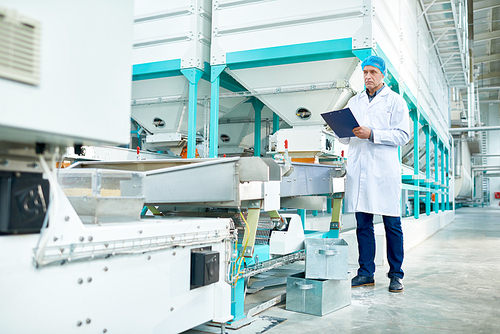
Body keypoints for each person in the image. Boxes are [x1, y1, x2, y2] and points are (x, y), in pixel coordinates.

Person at [336, 55, 410, 292]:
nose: (368, 76)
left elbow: (403, 136)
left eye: (372, 72)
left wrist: (373, 134)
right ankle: (365, 272)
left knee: (392, 225)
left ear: (383, 75)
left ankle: (396, 274)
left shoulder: (395, 101)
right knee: (363, 225)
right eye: (365, 72)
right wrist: (339, 128)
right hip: (360, 171)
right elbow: (346, 138)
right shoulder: (354, 101)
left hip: (383, 171)